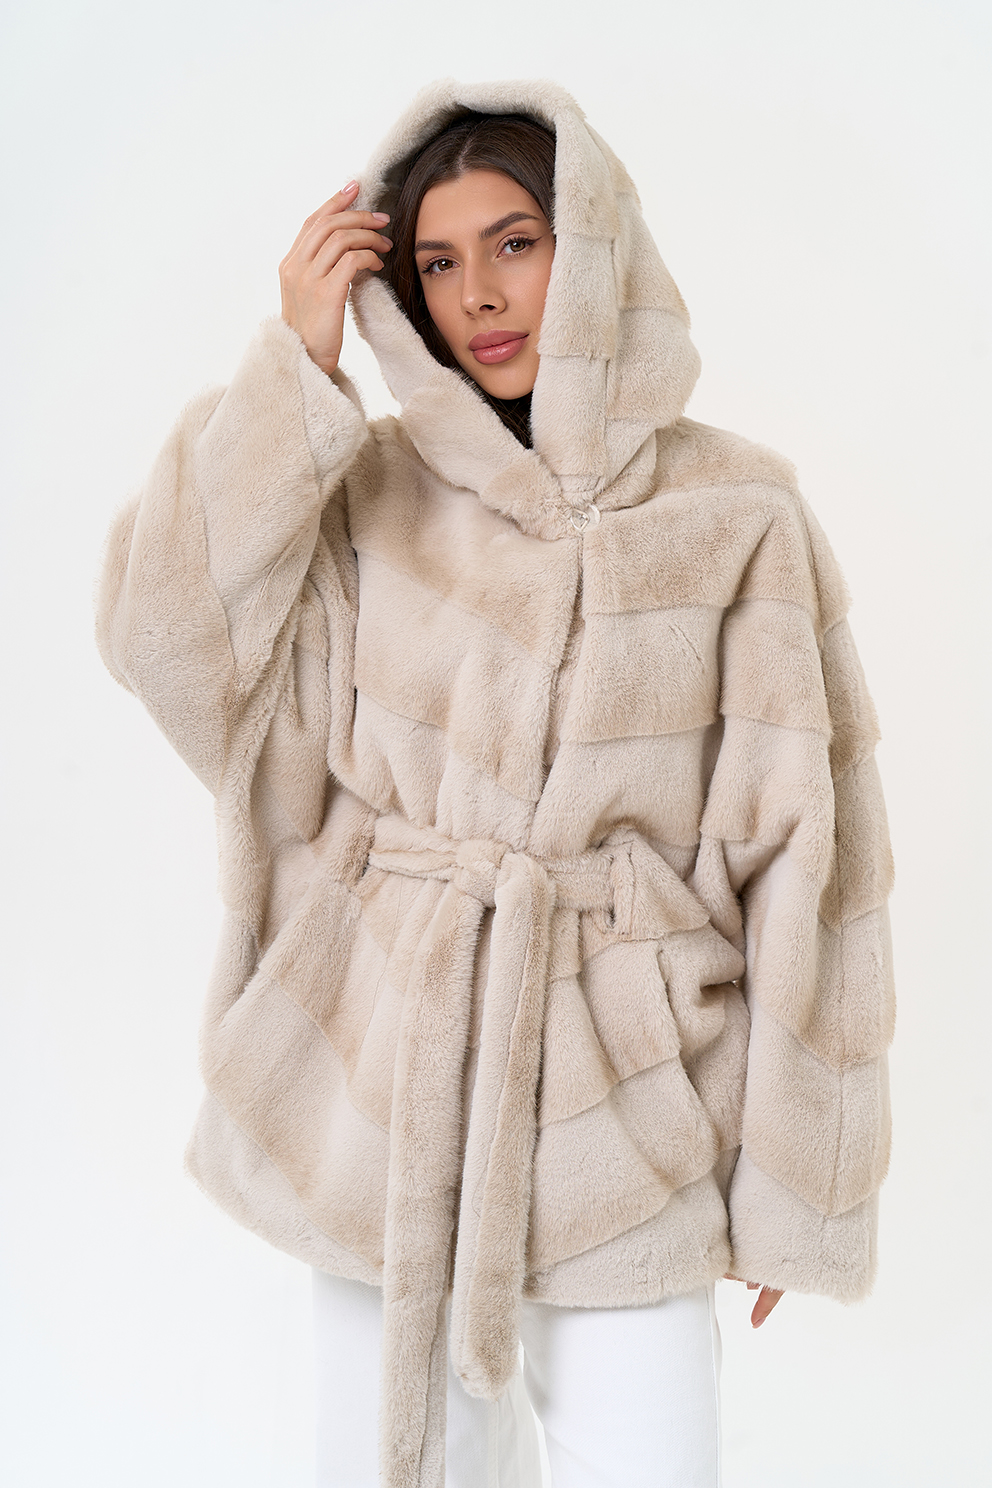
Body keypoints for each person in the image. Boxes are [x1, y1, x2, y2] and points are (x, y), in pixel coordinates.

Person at [96, 78, 895, 1488]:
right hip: (387, 1087)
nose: (480, 294)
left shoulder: (738, 513)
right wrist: (295, 374)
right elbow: (174, 652)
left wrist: (797, 1185)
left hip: (629, 1096)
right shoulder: (364, 489)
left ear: (592, 247)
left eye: (516, 243)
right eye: (438, 262)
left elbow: (810, 857)